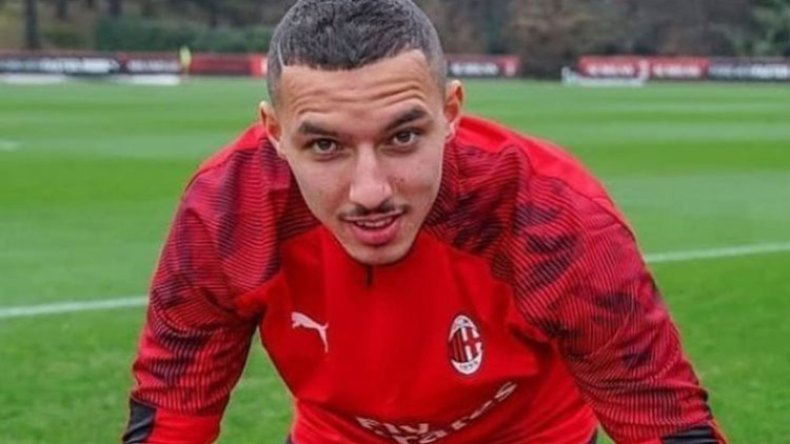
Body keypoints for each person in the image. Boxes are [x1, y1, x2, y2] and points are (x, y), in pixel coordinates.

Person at [123, 1, 727, 443]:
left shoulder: (548, 216)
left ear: (451, 112)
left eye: (403, 137)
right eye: (326, 146)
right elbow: (173, 403)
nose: (370, 191)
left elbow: (661, 418)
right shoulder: (230, 211)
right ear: (274, 132)